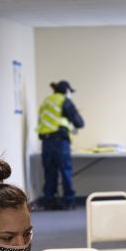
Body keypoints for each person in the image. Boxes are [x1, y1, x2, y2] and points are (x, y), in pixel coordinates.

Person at [36, 80, 84, 210]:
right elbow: (79, 123)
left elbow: (42, 121)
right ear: (67, 91)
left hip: (46, 142)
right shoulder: (65, 101)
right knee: (65, 171)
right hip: (60, 142)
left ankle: (49, 200)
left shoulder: (46, 102)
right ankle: (69, 201)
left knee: (50, 172)